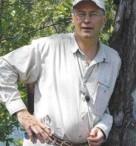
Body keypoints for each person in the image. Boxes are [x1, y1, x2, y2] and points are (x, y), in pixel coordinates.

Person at [0, 0, 121, 145]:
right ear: (72, 18)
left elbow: (104, 106)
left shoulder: (113, 59)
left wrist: (102, 128)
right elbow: (4, 67)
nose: (87, 20)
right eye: (81, 14)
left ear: (104, 20)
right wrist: (21, 112)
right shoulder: (48, 47)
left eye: (93, 14)